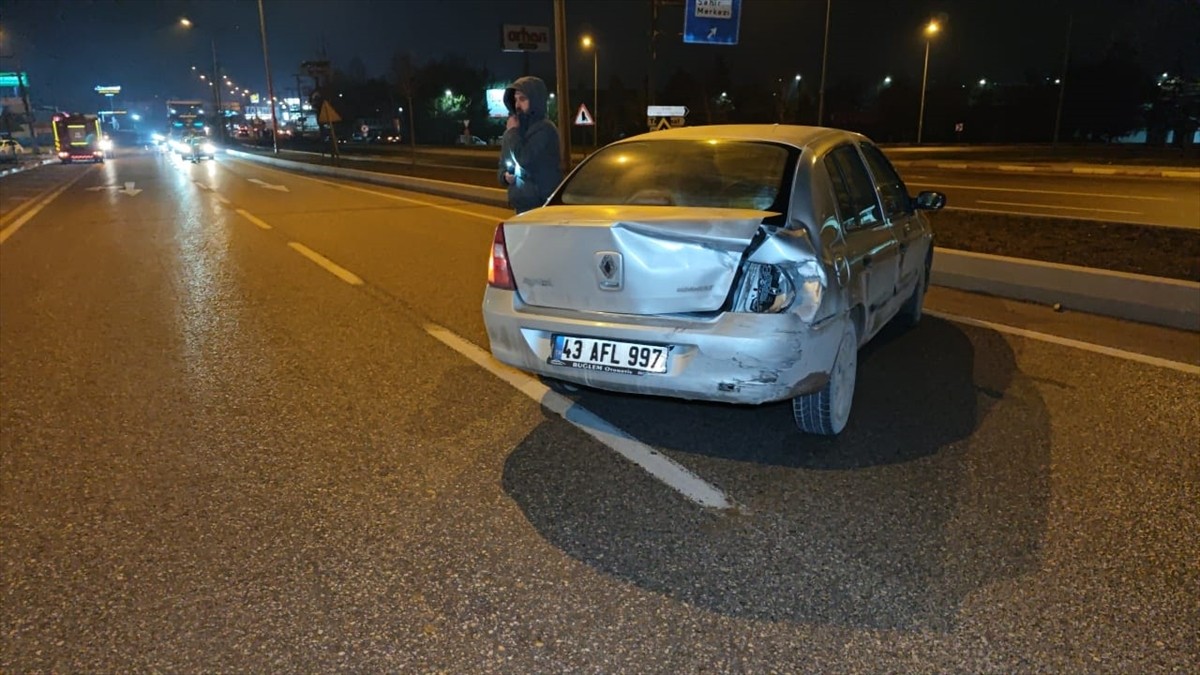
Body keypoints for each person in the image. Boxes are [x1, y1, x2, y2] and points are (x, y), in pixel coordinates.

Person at [497, 76, 561, 214]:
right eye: (515, 100)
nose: (517, 105)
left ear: (535, 101)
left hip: (541, 205)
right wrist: (505, 176)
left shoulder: (544, 129)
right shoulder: (514, 131)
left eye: (523, 99)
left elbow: (525, 158)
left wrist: (512, 132)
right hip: (520, 204)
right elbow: (502, 166)